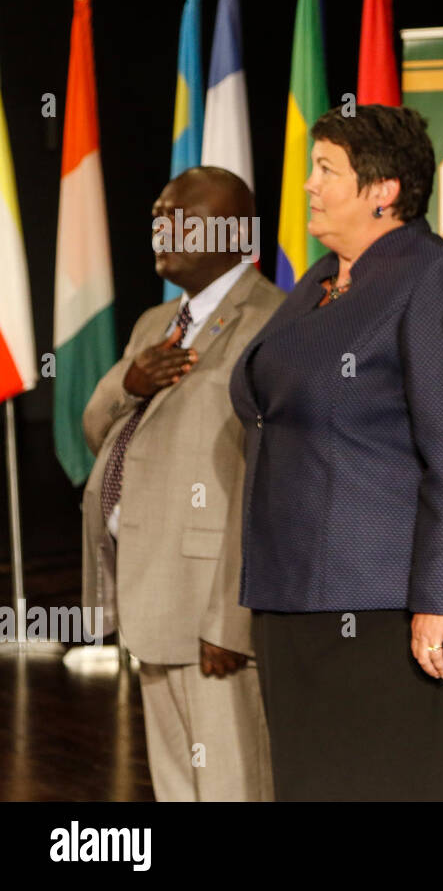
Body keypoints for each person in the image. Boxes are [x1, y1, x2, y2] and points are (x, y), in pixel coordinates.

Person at [228, 105, 443, 801]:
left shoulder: (431, 277)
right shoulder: (323, 279)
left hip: (390, 609)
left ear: (383, 189)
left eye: (326, 170)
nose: (308, 186)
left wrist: (440, 599)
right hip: (295, 596)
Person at [81, 166, 282, 801]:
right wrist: (128, 383)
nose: (161, 228)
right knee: (174, 785)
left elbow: (267, 485)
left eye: (180, 216)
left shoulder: (272, 322)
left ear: (233, 230)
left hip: (210, 608)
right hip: (152, 589)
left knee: (228, 784)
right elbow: (95, 430)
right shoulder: (155, 322)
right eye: (158, 215)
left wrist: (231, 619)